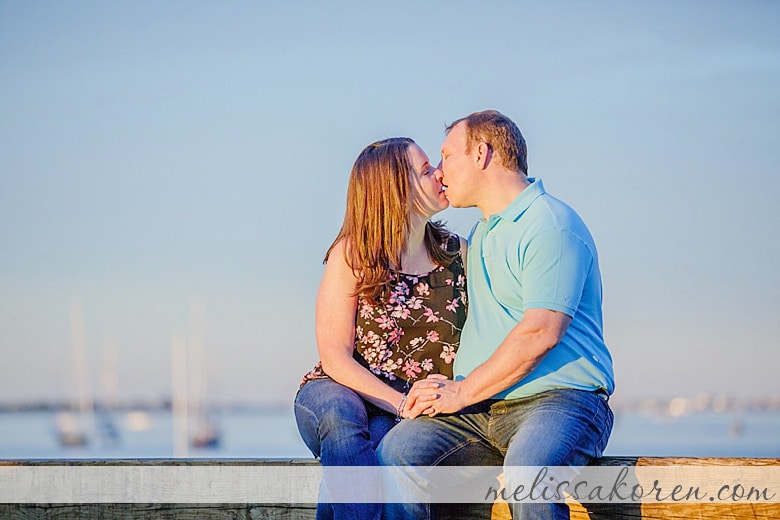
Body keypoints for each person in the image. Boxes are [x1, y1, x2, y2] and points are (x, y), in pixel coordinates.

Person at [379, 110, 615, 520]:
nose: (439, 171)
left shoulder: (549, 225)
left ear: (481, 154)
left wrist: (462, 392)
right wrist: (444, 385)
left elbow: (541, 332)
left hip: (560, 403)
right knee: (396, 452)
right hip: (481, 408)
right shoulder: (483, 234)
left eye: (447, 156)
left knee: (528, 478)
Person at [293, 137, 468, 520]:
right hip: (342, 389)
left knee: (381, 448)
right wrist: (399, 403)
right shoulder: (353, 253)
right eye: (425, 171)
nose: (440, 173)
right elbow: (335, 356)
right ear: (396, 190)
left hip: (410, 413)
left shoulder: (461, 255)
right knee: (343, 421)